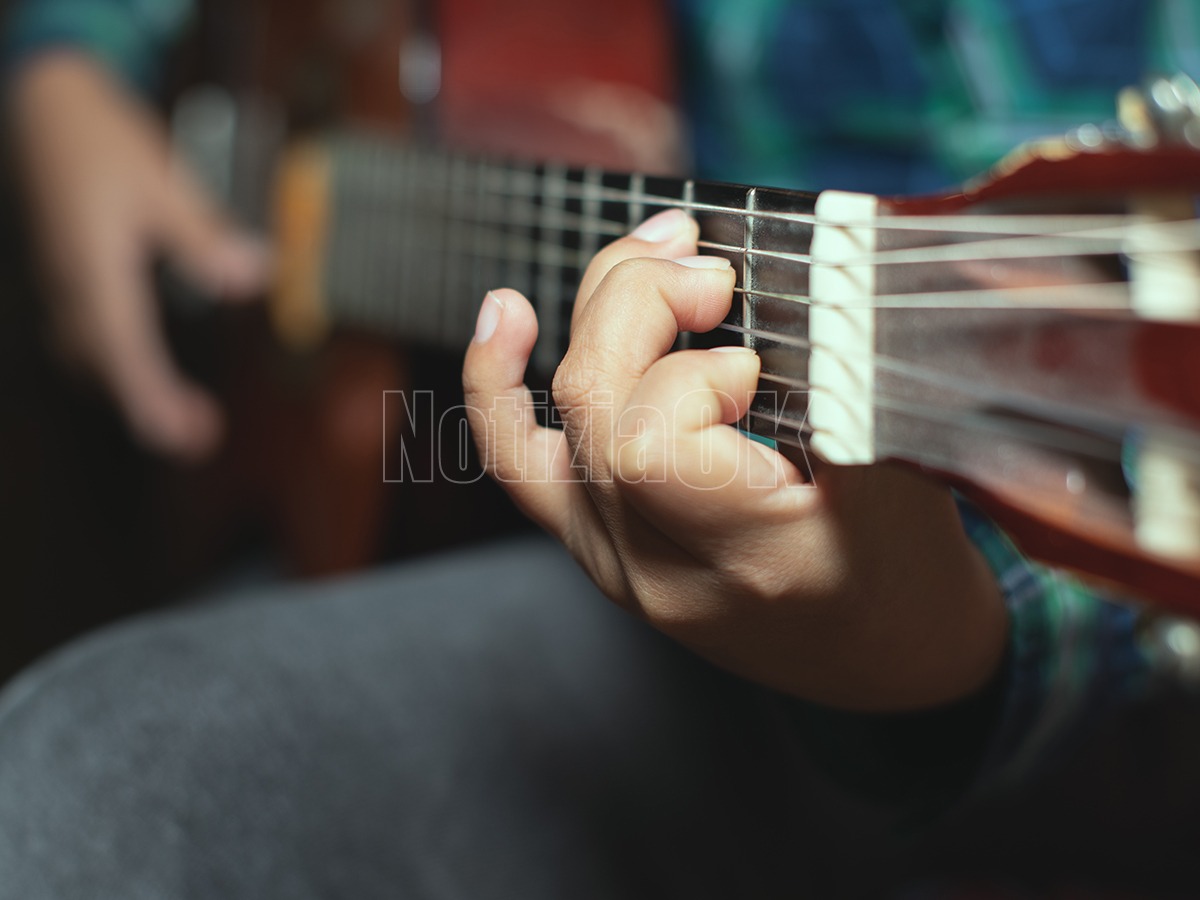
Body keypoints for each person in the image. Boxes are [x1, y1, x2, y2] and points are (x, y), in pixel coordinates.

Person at [0, 1, 1193, 896]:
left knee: (96, 777)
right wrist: (64, 64)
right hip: (493, 455)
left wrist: (944, 634)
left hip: (1013, 658)